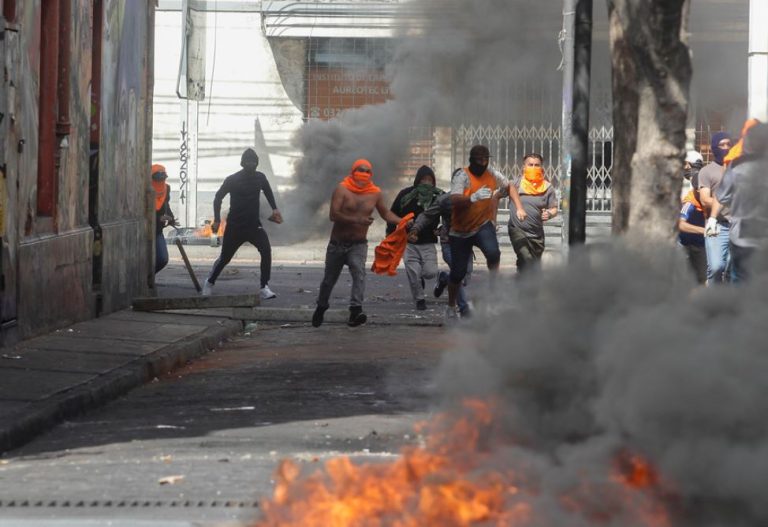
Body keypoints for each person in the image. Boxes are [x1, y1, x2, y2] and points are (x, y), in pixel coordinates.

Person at [312, 159, 402, 328]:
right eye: (360, 170)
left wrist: (403, 221)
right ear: (353, 172)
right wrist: (358, 219)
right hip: (337, 244)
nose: (364, 174)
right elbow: (333, 215)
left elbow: (386, 213)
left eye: (367, 171)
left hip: (358, 244)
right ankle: (321, 306)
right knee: (329, 280)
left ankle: (355, 311)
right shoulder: (342, 189)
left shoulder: (375, 193)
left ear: (371, 174)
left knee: (359, 274)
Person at [445, 145, 526, 320]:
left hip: (482, 224)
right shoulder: (462, 176)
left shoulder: (491, 173)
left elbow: (510, 186)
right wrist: (472, 198)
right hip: (461, 230)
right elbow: (454, 199)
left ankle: (493, 289)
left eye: (485, 159)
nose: (482, 163)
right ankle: (451, 305)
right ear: (471, 160)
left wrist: (519, 207)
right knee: (458, 273)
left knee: (493, 253)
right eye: (479, 160)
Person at [201, 148, 283, 299]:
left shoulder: (260, 178)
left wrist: (275, 209)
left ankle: (264, 287)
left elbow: (268, 191)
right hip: (235, 226)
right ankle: (209, 282)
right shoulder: (232, 179)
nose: (251, 165)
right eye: (248, 162)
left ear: (257, 163)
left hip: (254, 225)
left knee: (266, 251)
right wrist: (217, 219)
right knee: (225, 258)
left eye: (254, 162)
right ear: (242, 163)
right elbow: (218, 197)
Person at [709, 122, 768, 282]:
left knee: (740, 281)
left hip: (742, 239)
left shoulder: (737, 167)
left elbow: (722, 196)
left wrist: (712, 218)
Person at [408, 175, 473, 317]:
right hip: (449, 243)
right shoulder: (444, 200)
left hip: (466, 244)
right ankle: (463, 308)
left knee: (465, 277)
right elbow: (427, 215)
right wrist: (415, 229)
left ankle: (444, 278)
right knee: (459, 273)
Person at [387, 166, 444, 310]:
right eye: (423, 180)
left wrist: (442, 229)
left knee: (430, 272)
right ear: (417, 181)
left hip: (428, 242)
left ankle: (436, 278)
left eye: (430, 180)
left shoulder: (438, 196)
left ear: (434, 182)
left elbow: (450, 215)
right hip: (408, 243)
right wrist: (391, 236)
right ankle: (419, 300)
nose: (426, 183)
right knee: (413, 273)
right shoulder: (405, 195)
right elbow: (392, 215)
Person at [507, 153, 558, 273]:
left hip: (536, 234)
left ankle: (523, 281)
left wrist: (549, 214)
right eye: (530, 165)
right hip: (517, 229)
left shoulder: (547, 188)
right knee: (526, 258)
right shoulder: (515, 184)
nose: (533, 168)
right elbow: (496, 195)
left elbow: (554, 208)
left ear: (541, 168)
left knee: (533, 266)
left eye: (537, 165)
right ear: (524, 167)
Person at [698, 131, 733, 284]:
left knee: (733, 270)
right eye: (722, 145)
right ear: (714, 148)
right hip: (718, 226)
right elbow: (705, 199)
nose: (726, 148)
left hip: (738, 225)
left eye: (728, 144)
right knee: (716, 267)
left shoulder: (738, 169)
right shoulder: (707, 171)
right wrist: (726, 201)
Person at [678, 171, 707, 284]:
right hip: (686, 246)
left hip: (700, 246)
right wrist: (703, 230)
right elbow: (681, 225)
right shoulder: (689, 204)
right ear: (697, 189)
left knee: (702, 279)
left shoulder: (706, 201)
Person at [151, 164, 177, 274]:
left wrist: (171, 218)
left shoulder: (167, 188)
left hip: (157, 230)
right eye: (158, 177)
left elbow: (166, 205)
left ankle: (148, 277)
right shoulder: (145, 189)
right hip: (143, 230)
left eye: (163, 177)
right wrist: (158, 218)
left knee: (162, 259)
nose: (160, 181)